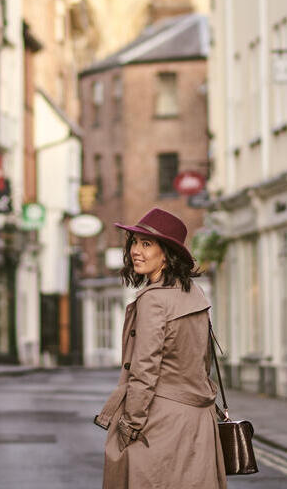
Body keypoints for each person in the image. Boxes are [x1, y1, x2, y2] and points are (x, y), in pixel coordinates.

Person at [94, 207, 226, 489]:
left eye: (147, 244)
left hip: (160, 422)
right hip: (198, 421)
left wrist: (130, 425)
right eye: (135, 243)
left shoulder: (153, 301)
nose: (135, 252)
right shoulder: (194, 294)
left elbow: (144, 370)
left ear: (166, 253)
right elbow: (202, 363)